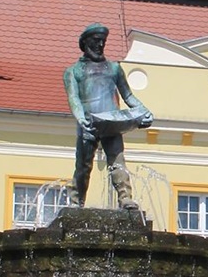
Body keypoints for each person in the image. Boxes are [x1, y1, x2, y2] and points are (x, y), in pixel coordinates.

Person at [63, 23, 152, 209]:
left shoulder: (114, 68)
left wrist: (144, 111)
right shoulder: (73, 71)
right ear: (85, 42)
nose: (100, 45)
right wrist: (81, 119)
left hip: (112, 122)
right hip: (88, 122)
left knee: (118, 162)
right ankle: (76, 202)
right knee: (83, 166)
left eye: (103, 42)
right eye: (96, 41)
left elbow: (128, 96)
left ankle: (125, 198)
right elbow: (74, 98)